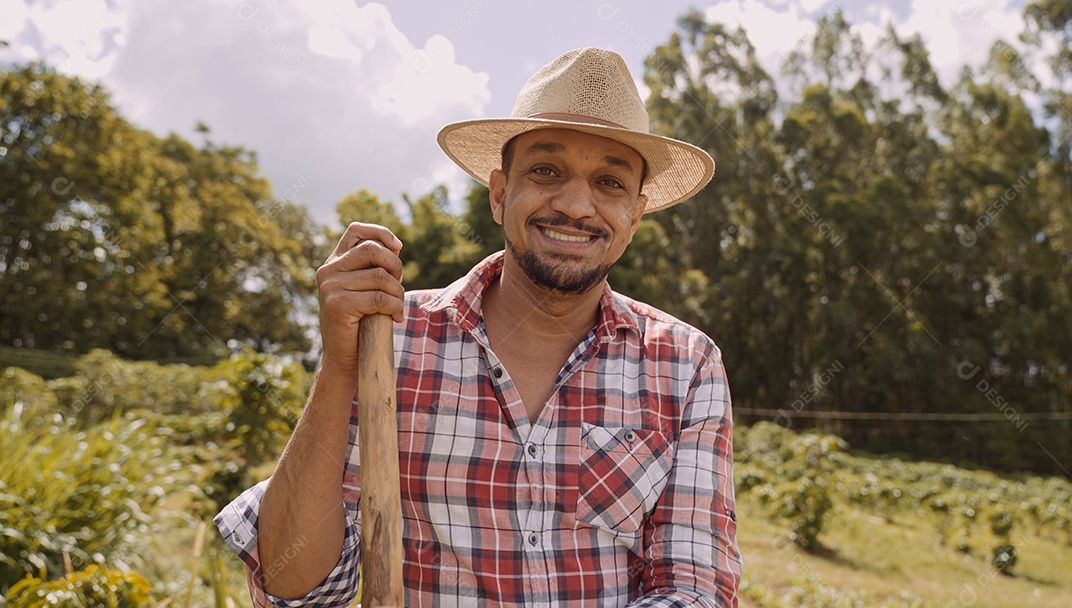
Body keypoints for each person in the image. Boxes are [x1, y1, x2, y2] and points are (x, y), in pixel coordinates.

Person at [216, 46, 741, 607]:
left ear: (634, 217)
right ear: (498, 193)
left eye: (610, 183)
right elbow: (295, 588)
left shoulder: (685, 365)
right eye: (546, 171)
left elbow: (693, 589)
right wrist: (341, 363)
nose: (575, 204)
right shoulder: (387, 338)